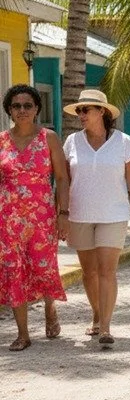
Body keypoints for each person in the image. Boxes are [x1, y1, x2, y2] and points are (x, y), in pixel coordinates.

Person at [63, 89, 130, 348]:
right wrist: (61, 214)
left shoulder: (124, 142)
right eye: (79, 110)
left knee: (107, 271)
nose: (81, 115)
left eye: (86, 110)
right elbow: (64, 181)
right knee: (89, 272)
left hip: (114, 214)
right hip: (80, 214)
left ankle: (106, 327)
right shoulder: (72, 142)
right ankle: (97, 314)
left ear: (102, 112)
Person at [0, 84, 69, 350]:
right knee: (13, 270)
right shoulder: (2, 140)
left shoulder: (49, 138)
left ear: (37, 108)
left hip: (42, 217)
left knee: (44, 267)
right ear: (9, 110)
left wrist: (63, 214)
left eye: (27, 105)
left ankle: (50, 307)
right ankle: (23, 334)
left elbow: (61, 178)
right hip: (8, 219)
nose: (22, 110)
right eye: (16, 106)